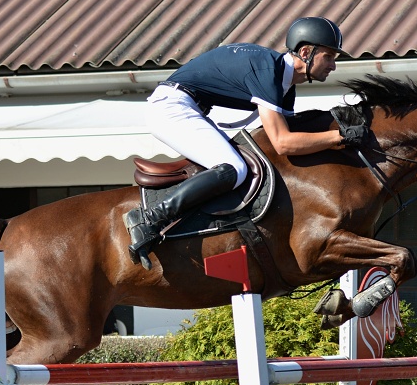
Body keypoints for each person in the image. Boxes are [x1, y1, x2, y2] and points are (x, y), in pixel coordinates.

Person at [125, 16, 368, 265]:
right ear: (306, 52)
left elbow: (292, 139)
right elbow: (283, 142)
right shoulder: (268, 73)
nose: (333, 66)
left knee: (241, 165)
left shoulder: (283, 84)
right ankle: (151, 219)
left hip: (187, 107)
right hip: (171, 108)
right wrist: (340, 136)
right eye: (328, 57)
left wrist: (338, 132)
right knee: (234, 168)